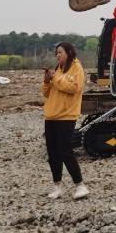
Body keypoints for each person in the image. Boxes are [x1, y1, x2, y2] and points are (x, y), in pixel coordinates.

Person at [42, 41, 88, 199]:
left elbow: (73, 88)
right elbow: (46, 94)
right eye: (56, 53)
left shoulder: (77, 68)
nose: (57, 55)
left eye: (60, 52)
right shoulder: (57, 69)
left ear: (69, 52)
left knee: (65, 150)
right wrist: (47, 80)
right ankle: (57, 186)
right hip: (51, 116)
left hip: (66, 116)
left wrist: (56, 78)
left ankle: (80, 185)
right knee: (52, 152)